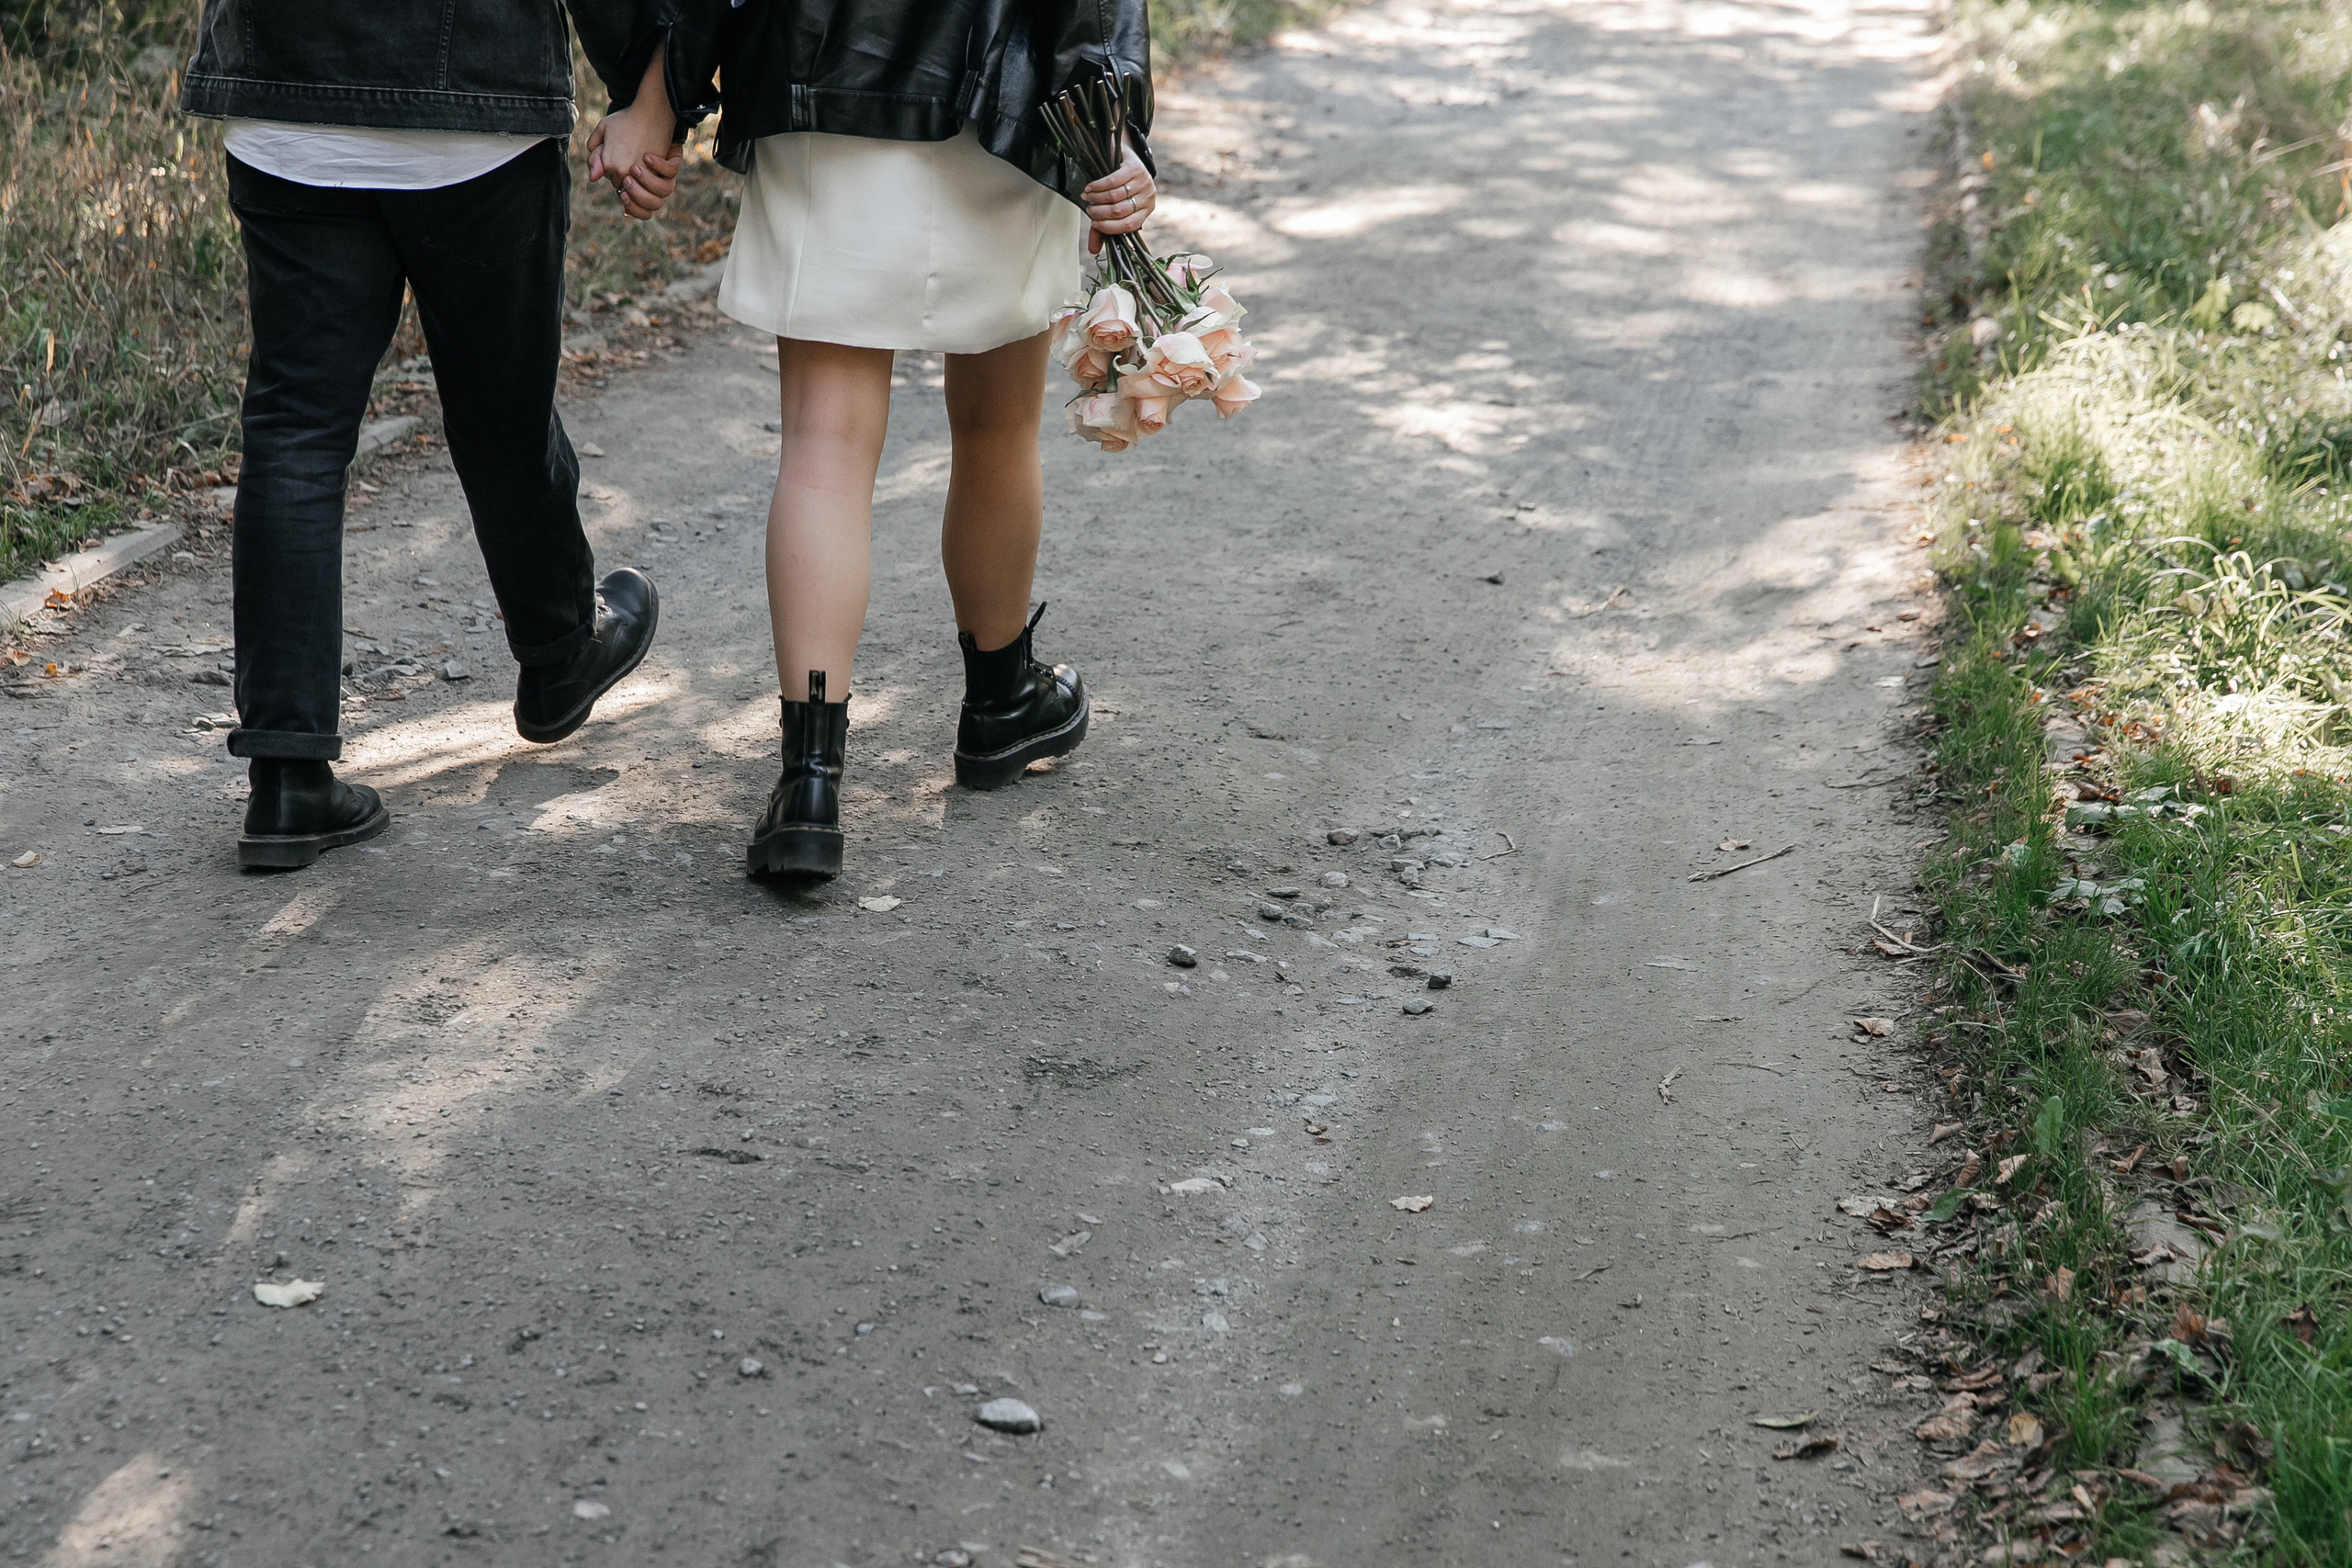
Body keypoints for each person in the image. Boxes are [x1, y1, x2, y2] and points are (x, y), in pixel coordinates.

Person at [594, 0, 1158, 881]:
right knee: (998, 427)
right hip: (999, 98)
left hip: (821, 84)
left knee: (824, 447)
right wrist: (1113, 121)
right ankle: (1002, 698)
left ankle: (810, 785)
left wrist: (659, 100)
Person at [177, 0, 682, 869]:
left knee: (294, 432)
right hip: (477, 113)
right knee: (503, 413)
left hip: (291, 109)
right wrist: (648, 82)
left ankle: (288, 775)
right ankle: (561, 654)